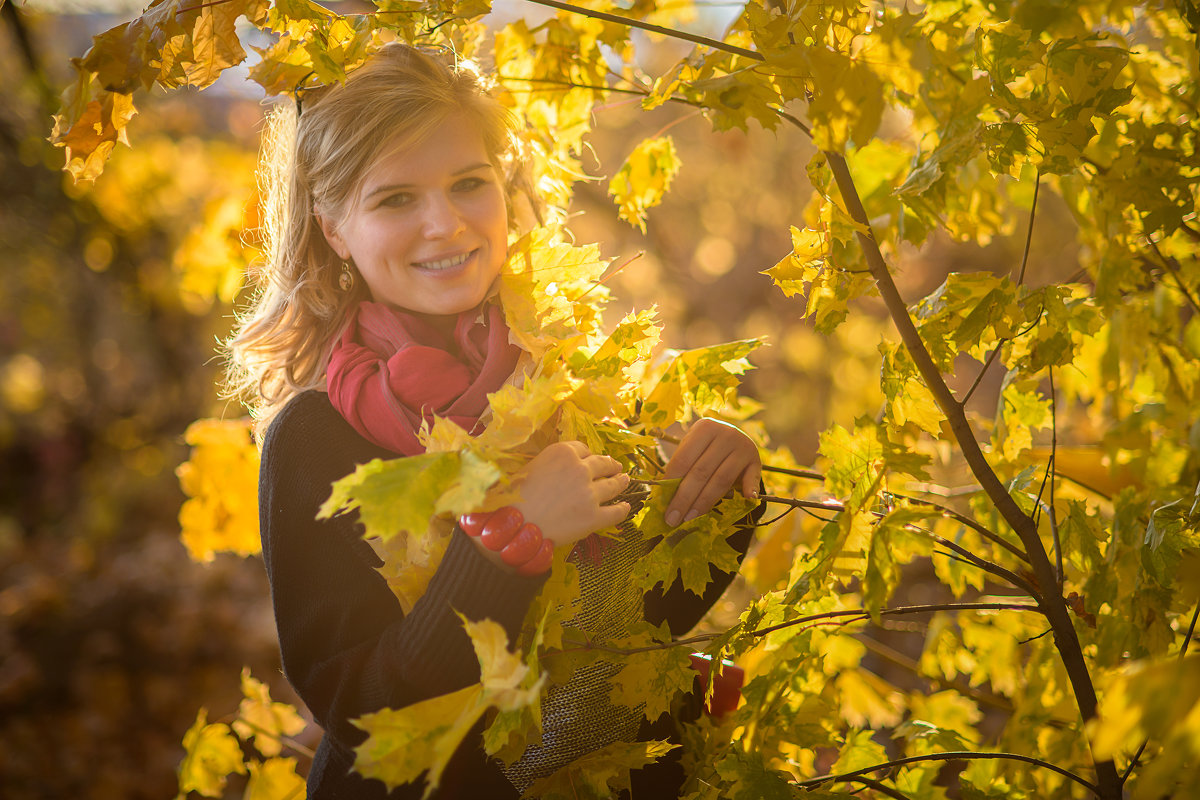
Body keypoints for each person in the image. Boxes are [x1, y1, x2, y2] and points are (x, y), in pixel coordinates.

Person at [227, 43, 762, 799]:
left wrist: (723, 489)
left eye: (469, 184)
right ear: (334, 227)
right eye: (395, 199)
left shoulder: (568, 374)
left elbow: (642, 622)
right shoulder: (314, 439)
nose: (444, 225)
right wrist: (513, 540)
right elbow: (357, 710)